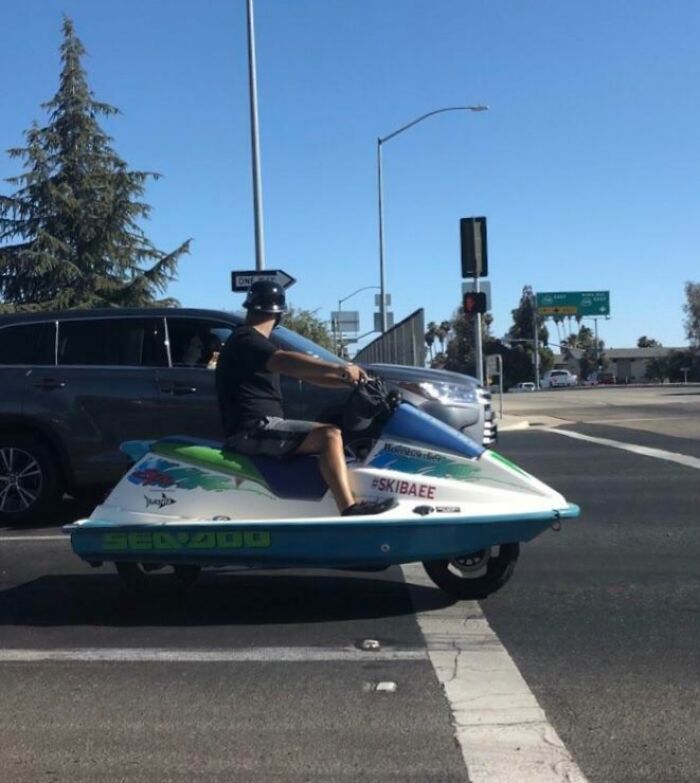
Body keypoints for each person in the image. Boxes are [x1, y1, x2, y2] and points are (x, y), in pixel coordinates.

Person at [215, 280, 395, 517]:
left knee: (331, 433)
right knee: (329, 436)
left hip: (259, 426)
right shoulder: (248, 340)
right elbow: (286, 362)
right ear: (279, 315)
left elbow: (309, 376)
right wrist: (339, 369)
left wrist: (348, 381)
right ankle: (350, 510)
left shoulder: (246, 341)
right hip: (252, 429)